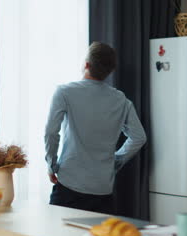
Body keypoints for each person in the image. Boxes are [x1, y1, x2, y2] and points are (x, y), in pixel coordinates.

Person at [44, 42, 147, 214]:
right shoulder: (121, 100)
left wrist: (51, 165)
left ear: (86, 64)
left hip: (69, 186)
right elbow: (139, 137)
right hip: (102, 191)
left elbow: (51, 132)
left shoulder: (64, 92)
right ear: (109, 72)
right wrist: (117, 160)